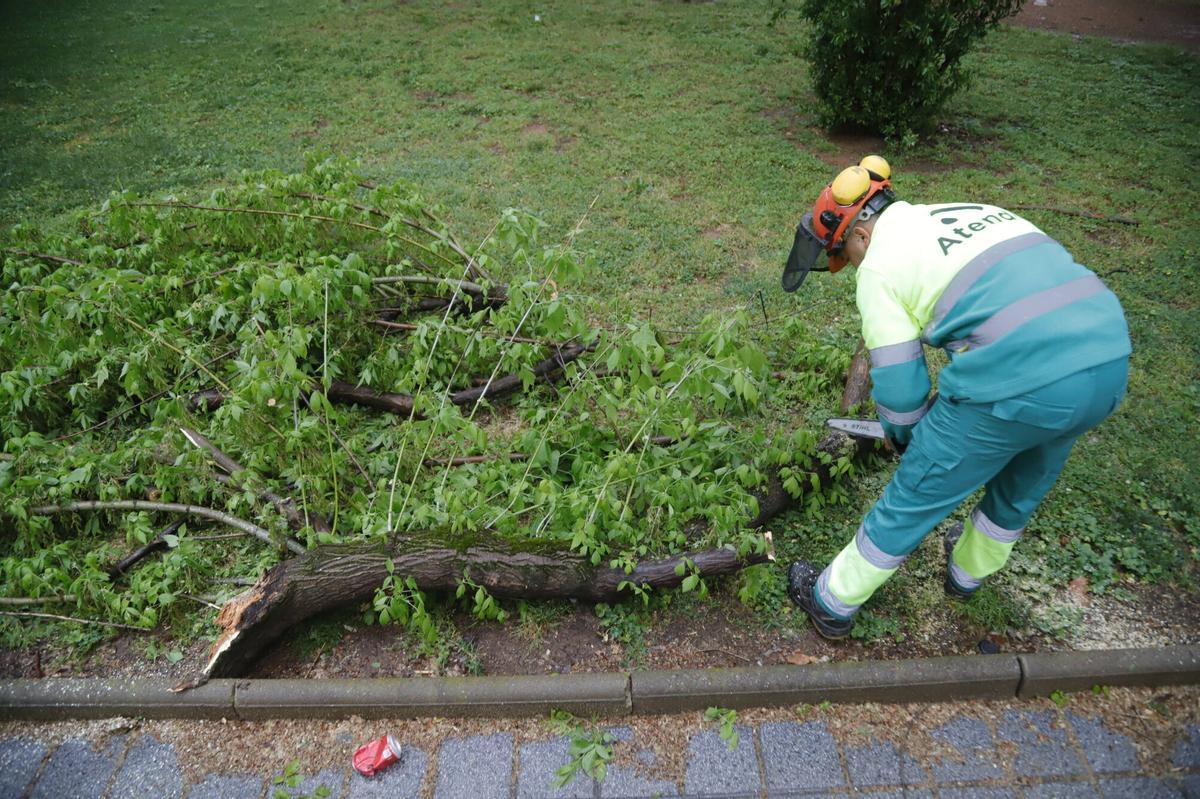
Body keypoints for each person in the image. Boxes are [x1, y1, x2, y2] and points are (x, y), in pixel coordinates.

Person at [779, 155, 1131, 639]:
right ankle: (967, 574)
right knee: (1027, 475)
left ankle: (831, 601)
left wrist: (907, 436)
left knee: (915, 494)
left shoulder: (879, 266)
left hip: (1019, 377)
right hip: (1107, 357)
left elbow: (901, 388)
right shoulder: (968, 211)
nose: (853, 265)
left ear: (860, 234)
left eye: (846, 254)